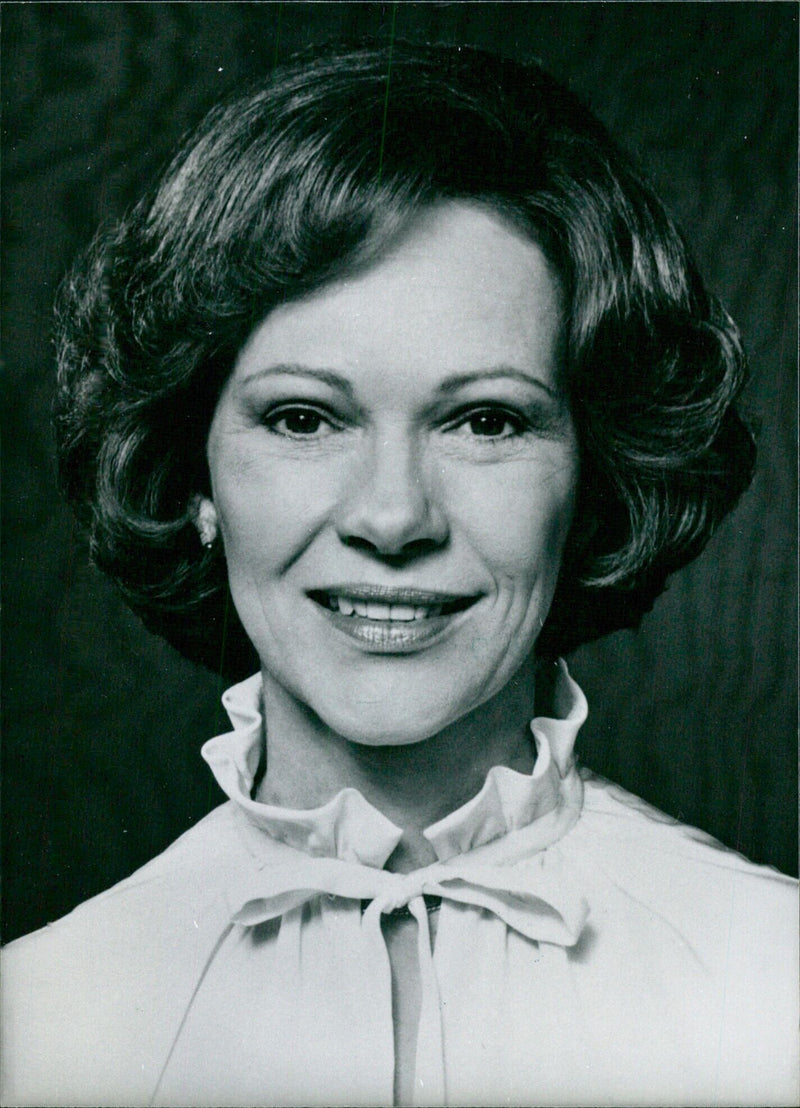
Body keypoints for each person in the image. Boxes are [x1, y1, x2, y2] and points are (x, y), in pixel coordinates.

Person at [1, 41, 796, 1108]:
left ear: (593, 478)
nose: (391, 518)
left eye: (484, 420)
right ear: (192, 475)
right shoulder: (33, 1023)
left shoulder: (774, 986)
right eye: (302, 417)